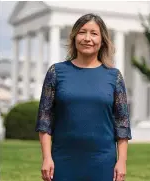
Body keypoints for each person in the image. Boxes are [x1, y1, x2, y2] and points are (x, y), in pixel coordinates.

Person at [35, 13, 132, 181]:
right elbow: (45, 119)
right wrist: (46, 157)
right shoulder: (56, 72)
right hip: (63, 160)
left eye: (94, 33)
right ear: (74, 37)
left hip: (102, 161)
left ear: (102, 41)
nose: (87, 38)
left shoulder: (114, 76)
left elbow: (122, 123)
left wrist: (121, 161)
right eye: (82, 32)